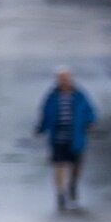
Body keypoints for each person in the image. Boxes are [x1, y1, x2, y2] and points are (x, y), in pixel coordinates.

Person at [35, 68, 97, 213]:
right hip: (57, 138)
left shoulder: (80, 96)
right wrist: (40, 128)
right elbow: (45, 113)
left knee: (75, 166)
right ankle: (60, 193)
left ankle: (73, 185)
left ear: (70, 79)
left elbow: (90, 112)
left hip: (76, 137)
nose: (63, 81)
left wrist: (90, 122)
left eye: (66, 78)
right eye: (61, 78)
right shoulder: (51, 97)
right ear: (57, 80)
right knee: (59, 166)